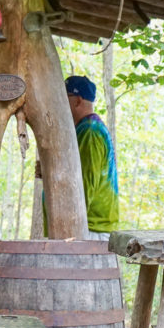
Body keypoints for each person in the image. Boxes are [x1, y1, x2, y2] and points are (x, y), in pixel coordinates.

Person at [64, 75, 119, 238]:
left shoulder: (90, 132)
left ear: (78, 101)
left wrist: (70, 225)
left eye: (64, 97)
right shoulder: (84, 129)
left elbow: (85, 183)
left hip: (91, 229)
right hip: (87, 228)